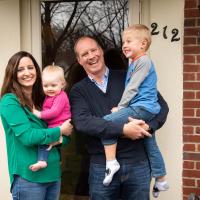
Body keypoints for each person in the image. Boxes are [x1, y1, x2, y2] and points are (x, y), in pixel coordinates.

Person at [70, 35, 169, 200]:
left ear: (101, 51)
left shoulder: (128, 77)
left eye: (94, 50)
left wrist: (148, 127)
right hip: (102, 166)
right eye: (85, 54)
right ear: (79, 60)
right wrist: (123, 130)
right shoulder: (78, 90)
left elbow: (161, 106)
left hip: (138, 164)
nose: (91, 56)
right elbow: (83, 122)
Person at [101, 24, 169, 197]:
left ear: (143, 44)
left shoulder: (143, 61)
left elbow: (132, 88)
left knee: (107, 121)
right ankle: (161, 179)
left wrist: (121, 108)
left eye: (129, 41)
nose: (124, 45)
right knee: (150, 143)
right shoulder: (135, 62)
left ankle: (111, 162)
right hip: (146, 108)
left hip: (141, 108)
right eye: (123, 41)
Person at [0, 51, 73, 200]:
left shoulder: (45, 98)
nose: (27, 72)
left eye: (30, 67)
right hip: (28, 177)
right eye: (20, 69)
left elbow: (67, 135)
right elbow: (28, 137)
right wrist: (59, 131)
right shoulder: (9, 101)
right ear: (12, 73)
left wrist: (59, 138)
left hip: (53, 175)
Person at [29, 65, 71, 172]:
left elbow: (54, 112)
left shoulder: (61, 96)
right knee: (50, 141)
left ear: (62, 84)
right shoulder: (49, 97)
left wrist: (38, 114)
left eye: (53, 85)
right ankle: (59, 160)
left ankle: (42, 161)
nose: (49, 89)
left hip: (60, 124)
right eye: (45, 86)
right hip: (56, 124)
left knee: (45, 139)